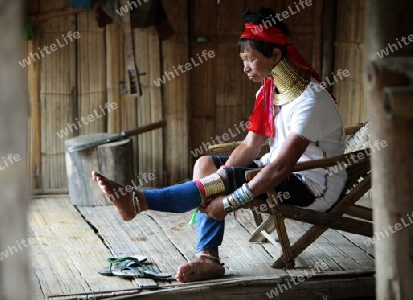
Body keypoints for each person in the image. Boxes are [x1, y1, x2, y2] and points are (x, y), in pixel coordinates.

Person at [92, 7, 346, 283]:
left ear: (275, 55)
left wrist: (226, 201)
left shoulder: (310, 101)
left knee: (222, 177)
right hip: (279, 171)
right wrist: (217, 181)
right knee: (206, 164)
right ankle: (208, 257)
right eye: (242, 60)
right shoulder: (269, 91)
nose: (245, 67)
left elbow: (280, 169)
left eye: (250, 59)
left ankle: (140, 201)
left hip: (313, 183)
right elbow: (250, 147)